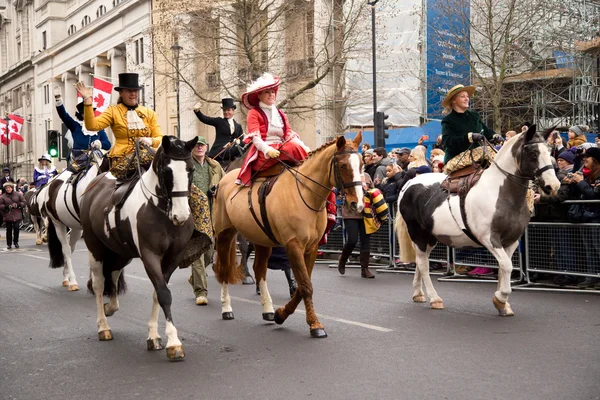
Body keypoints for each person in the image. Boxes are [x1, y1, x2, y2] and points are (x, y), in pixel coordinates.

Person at [76, 73, 163, 179]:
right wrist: (88, 101)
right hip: (121, 159)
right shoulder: (113, 111)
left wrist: (151, 141)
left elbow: (159, 137)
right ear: (121, 93)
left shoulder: (149, 113)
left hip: (148, 155)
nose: (133, 94)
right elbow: (92, 126)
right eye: (129, 91)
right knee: (151, 158)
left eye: (135, 91)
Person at [236, 73, 311, 186]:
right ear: (259, 95)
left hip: (282, 148)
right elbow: (256, 139)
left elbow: (288, 135)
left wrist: (303, 146)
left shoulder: (280, 113)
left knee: (298, 149)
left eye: (272, 92)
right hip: (263, 152)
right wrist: (267, 150)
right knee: (293, 147)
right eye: (267, 92)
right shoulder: (254, 113)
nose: (271, 94)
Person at [187, 136, 225, 306]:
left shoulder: (215, 166)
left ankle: (195, 277)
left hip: (213, 215)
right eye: (196, 145)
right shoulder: (186, 165)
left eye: (202, 145)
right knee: (197, 256)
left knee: (209, 253)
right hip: (193, 216)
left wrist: (216, 190)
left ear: (207, 147)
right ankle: (201, 292)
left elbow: (225, 184)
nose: (199, 148)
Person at [563, 147, 600, 288]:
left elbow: (594, 195)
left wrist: (581, 182)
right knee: (589, 250)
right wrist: (572, 183)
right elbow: (582, 194)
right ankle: (592, 277)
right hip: (586, 216)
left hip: (596, 217)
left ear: (595, 161)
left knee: (597, 249)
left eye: (587, 158)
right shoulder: (587, 175)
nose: (585, 160)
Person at [440, 84, 499, 165]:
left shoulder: (474, 116)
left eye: (467, 96)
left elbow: (485, 131)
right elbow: (447, 142)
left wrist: (494, 136)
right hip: (456, 158)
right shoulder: (448, 120)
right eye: (462, 96)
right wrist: (469, 137)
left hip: (479, 156)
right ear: (454, 100)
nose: (466, 99)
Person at [337, 173, 375, 279]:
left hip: (366, 212)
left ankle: (365, 269)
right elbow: (340, 193)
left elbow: (373, 190)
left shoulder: (367, 176)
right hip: (351, 212)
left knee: (365, 240)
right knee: (352, 240)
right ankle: (343, 259)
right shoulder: (347, 176)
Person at [193, 98, 244, 164]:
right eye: (224, 110)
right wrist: (197, 111)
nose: (226, 112)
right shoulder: (219, 121)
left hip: (232, 150)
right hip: (219, 151)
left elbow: (241, 139)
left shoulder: (238, 126)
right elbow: (205, 119)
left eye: (228, 110)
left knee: (241, 147)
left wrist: (237, 141)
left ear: (233, 111)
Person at [0, 181, 25, 249]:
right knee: (9, 230)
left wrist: (18, 205)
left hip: (17, 215)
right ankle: (9, 244)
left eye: (9, 188)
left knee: (16, 229)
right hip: (8, 215)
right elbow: (0, 205)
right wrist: (6, 207)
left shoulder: (18, 194)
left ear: (12, 188)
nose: (8, 189)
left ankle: (16, 242)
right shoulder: (2, 197)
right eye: (7, 188)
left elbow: (24, 202)